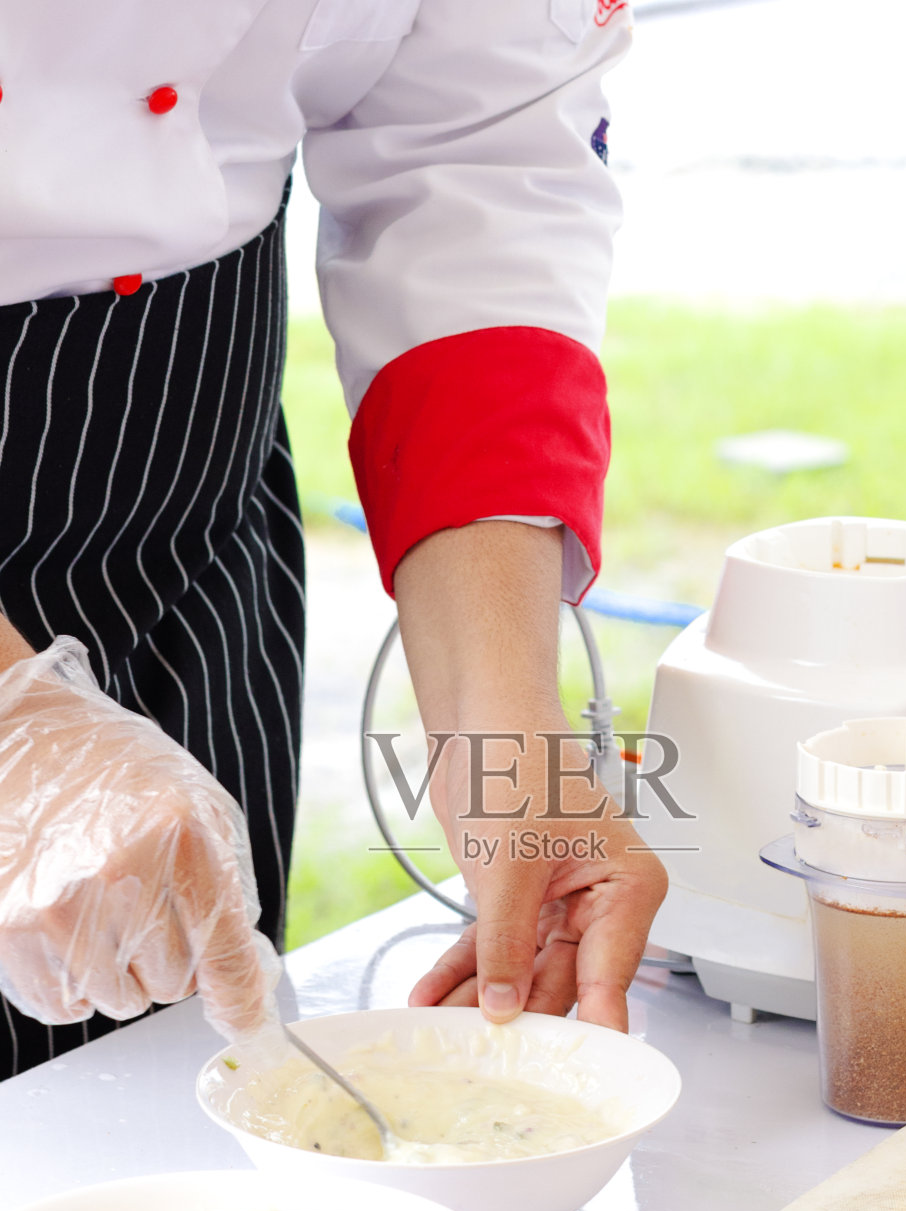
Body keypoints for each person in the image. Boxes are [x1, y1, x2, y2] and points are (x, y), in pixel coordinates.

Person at [0, 0, 667, 1079]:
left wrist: (500, 730)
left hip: (181, 506)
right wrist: (13, 728)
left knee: (178, 1094)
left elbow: (476, 165)